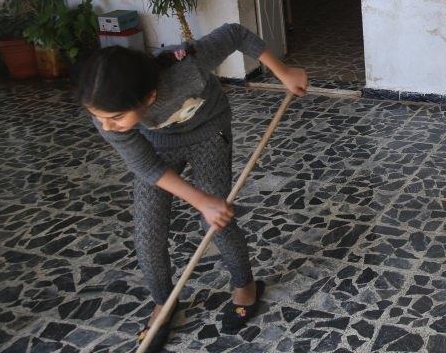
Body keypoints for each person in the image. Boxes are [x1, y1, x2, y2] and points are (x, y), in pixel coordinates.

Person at [77, 23, 307, 351]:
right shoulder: (106, 114)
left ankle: (245, 285)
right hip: (156, 145)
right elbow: (146, 166)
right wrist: (200, 200)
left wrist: (283, 72)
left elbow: (235, 34)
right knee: (148, 230)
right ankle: (163, 303)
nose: (106, 126)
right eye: (99, 117)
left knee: (215, 220)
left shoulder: (187, 68)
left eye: (114, 118)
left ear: (150, 97)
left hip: (208, 132)